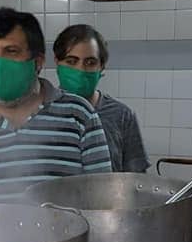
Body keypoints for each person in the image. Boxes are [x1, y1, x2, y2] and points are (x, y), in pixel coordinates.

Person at [0, 8, 112, 201]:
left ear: (38, 62)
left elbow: (102, 200)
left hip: (62, 231)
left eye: (11, 51)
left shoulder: (80, 115)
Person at [52, 24, 148, 172]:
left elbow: (136, 179)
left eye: (90, 63)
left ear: (102, 67)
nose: (80, 69)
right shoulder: (42, 111)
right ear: (57, 62)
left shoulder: (121, 115)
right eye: (71, 61)